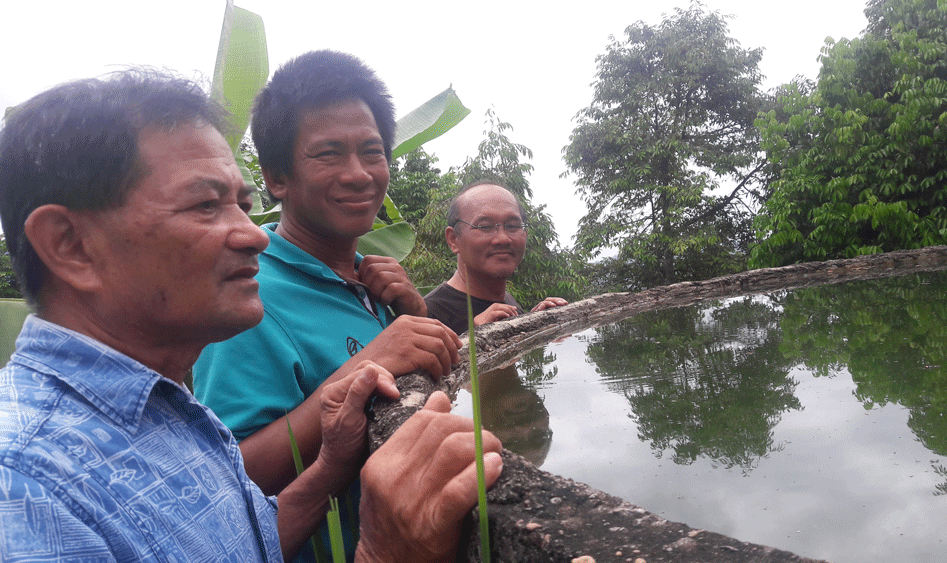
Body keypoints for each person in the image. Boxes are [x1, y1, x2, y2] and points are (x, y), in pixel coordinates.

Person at [0, 70, 502, 563]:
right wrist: (385, 552)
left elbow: (241, 539)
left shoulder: (173, 410)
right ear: (70, 245)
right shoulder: (24, 490)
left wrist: (329, 466)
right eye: (204, 204)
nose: (255, 235)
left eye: (242, 204)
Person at [192, 50, 462, 558]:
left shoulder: (371, 279)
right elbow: (231, 476)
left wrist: (412, 318)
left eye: (372, 150)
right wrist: (370, 360)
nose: (359, 174)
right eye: (328, 154)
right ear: (277, 177)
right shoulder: (249, 293)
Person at [424, 181, 568, 334]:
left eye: (512, 226)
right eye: (485, 227)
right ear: (453, 239)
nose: (503, 239)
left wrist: (535, 325)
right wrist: (474, 339)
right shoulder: (428, 317)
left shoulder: (507, 301)